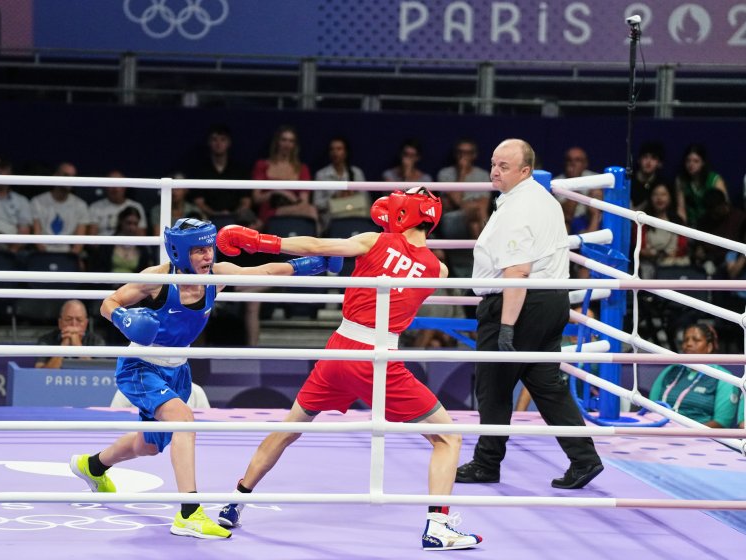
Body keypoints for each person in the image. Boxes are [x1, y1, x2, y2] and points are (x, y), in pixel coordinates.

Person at [213, 188, 483, 551]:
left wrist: (262, 240)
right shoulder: (440, 269)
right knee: (448, 438)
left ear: (406, 213)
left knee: (290, 428)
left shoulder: (374, 240)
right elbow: (406, 271)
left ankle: (235, 500)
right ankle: (438, 526)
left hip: (339, 350)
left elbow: (316, 247)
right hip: (378, 359)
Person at [68, 217, 343, 540]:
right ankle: (188, 513)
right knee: (184, 421)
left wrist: (314, 264)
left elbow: (266, 272)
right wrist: (123, 317)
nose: (207, 256)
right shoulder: (155, 280)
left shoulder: (216, 276)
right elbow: (109, 302)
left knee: (150, 445)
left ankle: (93, 466)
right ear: (179, 252)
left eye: (208, 248)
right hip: (140, 366)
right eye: (198, 250)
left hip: (179, 369)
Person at [456, 138, 603, 489]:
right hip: (550, 301)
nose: (494, 170)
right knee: (545, 383)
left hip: (521, 303)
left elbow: (518, 271)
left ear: (525, 171)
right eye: (493, 163)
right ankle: (584, 459)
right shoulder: (542, 199)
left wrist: (506, 326)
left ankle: (486, 463)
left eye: (504, 166)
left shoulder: (519, 207)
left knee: (493, 386)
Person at [647, 324, 739, 428]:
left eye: (696, 340)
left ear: (709, 347)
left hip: (698, 439)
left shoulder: (724, 378)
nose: (689, 344)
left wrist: (688, 434)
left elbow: (721, 422)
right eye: (685, 340)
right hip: (659, 432)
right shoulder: (671, 370)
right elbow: (651, 407)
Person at [251, 124, 318, 224]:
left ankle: (315, 237)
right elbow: (256, 198)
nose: (287, 145)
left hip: (295, 210)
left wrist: (291, 200)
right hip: (269, 212)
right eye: (284, 140)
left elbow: (304, 201)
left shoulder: (302, 169)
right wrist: (278, 193)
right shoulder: (262, 165)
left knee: (311, 210)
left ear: (295, 145)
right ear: (277, 142)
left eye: (291, 141)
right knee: (311, 211)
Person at [35, 299, 105, 369]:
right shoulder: (46, 340)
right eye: (68, 319)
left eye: (79, 320)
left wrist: (78, 346)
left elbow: (99, 373)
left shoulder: (97, 341)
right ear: (60, 323)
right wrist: (63, 346)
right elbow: (40, 373)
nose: (73, 324)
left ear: (86, 323)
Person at [675, 143, 728, 227]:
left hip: (714, 225)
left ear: (703, 162)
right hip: (691, 225)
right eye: (688, 161)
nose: (691, 164)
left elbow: (725, 206)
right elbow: (681, 209)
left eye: (696, 161)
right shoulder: (681, 180)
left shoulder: (715, 179)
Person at [630, 141, 667, 211]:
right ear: (639, 160)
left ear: (659, 163)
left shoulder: (662, 184)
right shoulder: (629, 180)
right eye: (645, 157)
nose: (648, 161)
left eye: (653, 158)